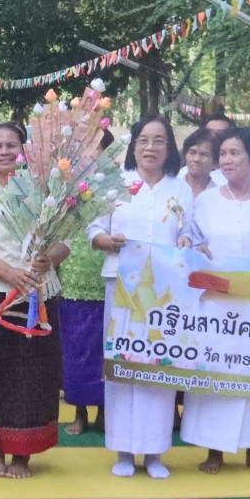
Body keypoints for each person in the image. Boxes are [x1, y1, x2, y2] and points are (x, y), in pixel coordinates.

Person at [180, 126, 250, 474]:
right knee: (216, 374)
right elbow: (190, 238)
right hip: (215, 305)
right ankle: (214, 450)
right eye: (224, 154)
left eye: (235, 153)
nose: (227, 160)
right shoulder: (207, 200)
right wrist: (191, 245)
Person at [0, 122, 67, 478]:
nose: (4, 152)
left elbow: (66, 240)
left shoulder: (44, 189)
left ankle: (22, 455)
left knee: (31, 375)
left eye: (11, 145)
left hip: (38, 292)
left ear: (24, 150)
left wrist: (47, 260)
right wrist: (10, 274)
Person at [90, 115, 195, 479]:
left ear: (170, 148)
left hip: (164, 292)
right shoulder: (116, 184)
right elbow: (94, 229)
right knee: (122, 365)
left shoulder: (179, 189)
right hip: (121, 285)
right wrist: (106, 241)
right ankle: (122, 450)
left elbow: (189, 233)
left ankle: (153, 452)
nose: (150, 148)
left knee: (157, 366)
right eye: (144, 140)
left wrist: (185, 241)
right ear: (133, 146)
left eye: (159, 141)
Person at [58, 134, 114, 436]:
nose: (91, 154)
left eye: (97, 148)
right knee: (76, 347)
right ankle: (79, 410)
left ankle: (105, 409)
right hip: (74, 270)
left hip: (106, 271)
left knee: (105, 346)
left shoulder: (119, 184)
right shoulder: (64, 183)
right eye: (85, 149)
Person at [179, 128, 217, 200]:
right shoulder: (172, 187)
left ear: (215, 162)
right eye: (192, 153)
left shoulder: (219, 196)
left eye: (203, 154)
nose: (196, 159)